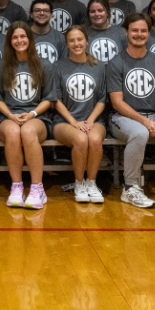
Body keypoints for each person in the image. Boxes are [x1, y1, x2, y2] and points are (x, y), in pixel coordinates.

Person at [107, 13, 155, 208]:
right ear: (126, 32)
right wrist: (145, 122)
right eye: (134, 30)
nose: (139, 34)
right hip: (123, 117)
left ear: (148, 33)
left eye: (143, 31)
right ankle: (130, 188)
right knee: (140, 133)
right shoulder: (116, 62)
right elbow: (117, 103)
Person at [0, 22, 58, 209]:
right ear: (9, 40)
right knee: (13, 133)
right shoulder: (1, 65)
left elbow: (49, 98)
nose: (19, 40)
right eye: (15, 37)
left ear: (30, 39)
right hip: (8, 116)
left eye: (23, 36)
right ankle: (17, 187)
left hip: (38, 117)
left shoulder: (43, 64)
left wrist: (32, 113)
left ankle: (38, 188)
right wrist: (10, 115)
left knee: (28, 132)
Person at [52, 25, 107, 204]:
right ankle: (79, 183)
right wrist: (73, 122)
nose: (76, 43)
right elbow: (56, 100)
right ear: (67, 44)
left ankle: (91, 183)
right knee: (81, 140)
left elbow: (102, 98)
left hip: (93, 119)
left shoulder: (99, 67)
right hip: (65, 121)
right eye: (72, 40)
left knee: (95, 139)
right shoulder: (58, 66)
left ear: (86, 41)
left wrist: (90, 120)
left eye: (80, 39)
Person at [29, 0, 68, 64]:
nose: (41, 13)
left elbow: (63, 66)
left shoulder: (59, 37)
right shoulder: (23, 36)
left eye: (46, 11)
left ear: (51, 15)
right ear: (31, 14)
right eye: (37, 10)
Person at [85, 0, 122, 64]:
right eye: (92, 11)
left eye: (100, 10)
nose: (96, 14)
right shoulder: (83, 34)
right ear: (88, 14)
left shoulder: (121, 32)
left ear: (107, 12)